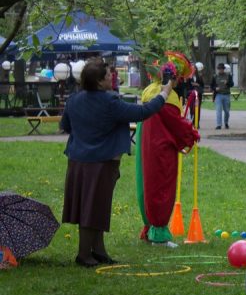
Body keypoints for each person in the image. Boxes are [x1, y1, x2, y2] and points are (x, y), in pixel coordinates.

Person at [61, 57, 174, 267]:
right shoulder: (109, 101)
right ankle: (84, 254)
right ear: (98, 81)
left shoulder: (73, 100)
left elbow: (66, 125)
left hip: (77, 161)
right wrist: (164, 93)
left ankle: (99, 251)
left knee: (96, 206)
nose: (111, 77)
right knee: (92, 208)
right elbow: (142, 113)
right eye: (107, 76)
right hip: (101, 162)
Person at [136, 62, 201, 246]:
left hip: (147, 147)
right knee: (161, 186)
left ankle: (150, 227)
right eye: (177, 77)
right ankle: (158, 234)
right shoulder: (168, 97)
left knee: (147, 184)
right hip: (161, 150)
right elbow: (175, 124)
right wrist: (192, 133)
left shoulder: (149, 92)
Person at [211, 63, 233, 129]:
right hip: (218, 95)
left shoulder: (228, 76)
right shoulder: (215, 76)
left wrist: (228, 83)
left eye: (222, 69)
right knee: (218, 110)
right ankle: (219, 124)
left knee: (227, 111)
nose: (220, 70)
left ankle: (226, 123)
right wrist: (215, 88)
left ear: (224, 69)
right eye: (219, 69)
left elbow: (232, 84)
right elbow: (212, 86)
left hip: (226, 95)